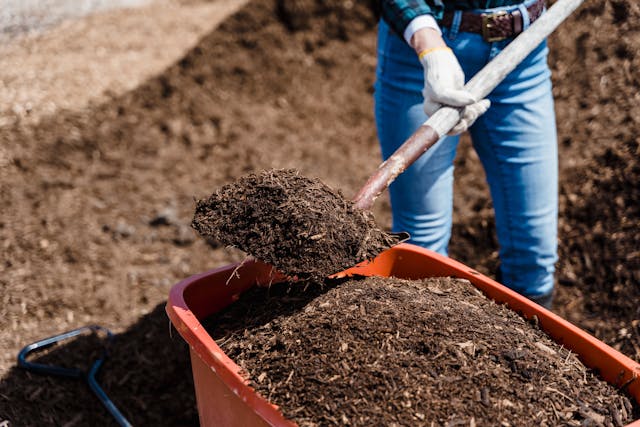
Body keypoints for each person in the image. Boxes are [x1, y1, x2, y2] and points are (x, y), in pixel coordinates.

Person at [375, 0, 557, 308]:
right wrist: (429, 47)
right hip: (423, 52)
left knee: (535, 253)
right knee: (423, 249)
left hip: (523, 51)